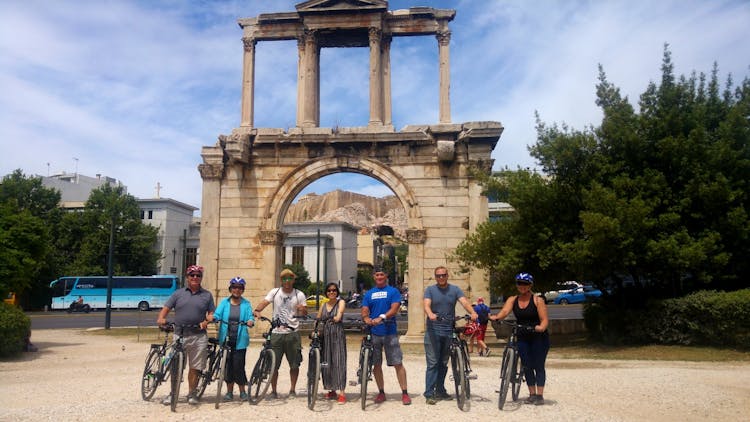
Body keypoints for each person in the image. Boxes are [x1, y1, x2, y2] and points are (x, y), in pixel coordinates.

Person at [156, 265, 215, 405]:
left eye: (198, 275)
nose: (195, 277)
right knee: (176, 366)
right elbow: (166, 308)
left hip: (198, 335)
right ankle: (173, 393)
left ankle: (191, 393)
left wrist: (207, 320)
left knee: (195, 367)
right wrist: (161, 318)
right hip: (180, 334)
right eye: (192, 275)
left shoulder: (207, 295)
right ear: (187, 277)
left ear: (201, 278)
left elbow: (211, 313)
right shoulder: (178, 293)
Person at [489, 272, 550, 405]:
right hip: (522, 335)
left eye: (525, 284)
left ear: (530, 285)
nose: (522, 286)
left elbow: (544, 319)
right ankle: (532, 394)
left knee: (538, 365)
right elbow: (505, 311)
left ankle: (540, 395)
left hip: (538, 336)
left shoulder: (537, 300)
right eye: (520, 284)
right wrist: (497, 317)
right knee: (527, 365)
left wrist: (541, 327)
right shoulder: (513, 299)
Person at [423, 265, 478, 405]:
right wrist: (430, 314)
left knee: (443, 362)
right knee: (433, 363)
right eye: (438, 275)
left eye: (443, 275)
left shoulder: (455, 289)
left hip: (448, 330)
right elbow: (426, 304)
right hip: (433, 331)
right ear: (435, 277)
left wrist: (472, 312)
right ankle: (429, 393)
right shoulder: (430, 290)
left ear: (447, 275)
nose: (441, 277)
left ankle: (440, 390)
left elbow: (464, 301)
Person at [252, 268, 307, 399]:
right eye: (284, 278)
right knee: (273, 365)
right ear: (281, 280)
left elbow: (304, 312)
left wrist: (302, 309)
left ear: (293, 280)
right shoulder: (275, 292)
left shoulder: (299, 294)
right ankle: (274, 391)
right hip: (276, 332)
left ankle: (292, 390)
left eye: (289, 278)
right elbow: (265, 302)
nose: (287, 281)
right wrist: (257, 310)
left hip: (292, 332)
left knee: (294, 364)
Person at [361, 269, 411, 405]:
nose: (379, 277)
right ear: (374, 277)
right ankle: (381, 392)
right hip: (374, 332)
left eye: (382, 274)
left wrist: (382, 317)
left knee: (397, 362)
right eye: (377, 275)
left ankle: (405, 392)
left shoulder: (393, 291)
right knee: (376, 364)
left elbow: (395, 308)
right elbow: (365, 309)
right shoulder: (369, 293)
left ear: (386, 276)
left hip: (389, 331)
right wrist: (366, 318)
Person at [214, 276, 255, 401]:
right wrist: (214, 318)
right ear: (230, 289)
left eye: (239, 288)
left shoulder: (246, 304)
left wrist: (250, 321)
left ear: (242, 290)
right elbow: (217, 314)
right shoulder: (224, 303)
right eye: (234, 287)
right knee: (228, 366)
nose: (236, 290)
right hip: (226, 339)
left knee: (239, 365)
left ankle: (242, 391)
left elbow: (251, 317)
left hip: (240, 340)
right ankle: (229, 392)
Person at [318, 282, 347, 404]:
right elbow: (319, 318)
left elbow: (339, 313)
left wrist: (337, 317)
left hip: (337, 334)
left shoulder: (340, 302)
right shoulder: (323, 305)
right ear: (326, 292)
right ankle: (331, 389)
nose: (331, 292)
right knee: (326, 362)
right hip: (325, 335)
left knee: (338, 361)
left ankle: (342, 392)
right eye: (329, 290)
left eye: (334, 290)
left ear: (337, 292)